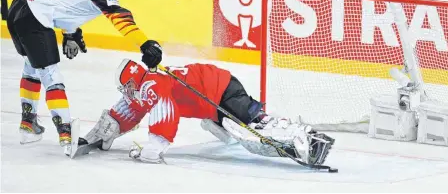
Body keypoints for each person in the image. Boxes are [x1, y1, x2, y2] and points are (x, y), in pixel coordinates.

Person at [7, 0, 163, 155]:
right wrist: (145, 44)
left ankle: (28, 124)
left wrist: (70, 33)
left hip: (18, 7)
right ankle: (65, 133)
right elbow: (120, 17)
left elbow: (62, 1)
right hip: (36, 16)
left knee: (32, 66)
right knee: (51, 74)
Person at [81, 59, 335, 166]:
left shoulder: (151, 85)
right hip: (215, 93)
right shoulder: (148, 84)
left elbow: (164, 111)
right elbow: (135, 107)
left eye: (126, 87)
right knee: (247, 137)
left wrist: (155, 147)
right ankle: (301, 142)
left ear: (134, 81)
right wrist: (110, 126)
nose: (125, 92)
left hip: (220, 91)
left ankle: (309, 139)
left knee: (254, 127)